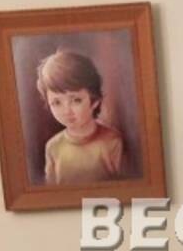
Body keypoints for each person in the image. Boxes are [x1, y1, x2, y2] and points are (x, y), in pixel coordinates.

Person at [36, 50, 125, 185]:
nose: (66, 111)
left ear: (94, 101)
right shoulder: (53, 147)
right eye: (57, 102)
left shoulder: (112, 142)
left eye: (76, 100)